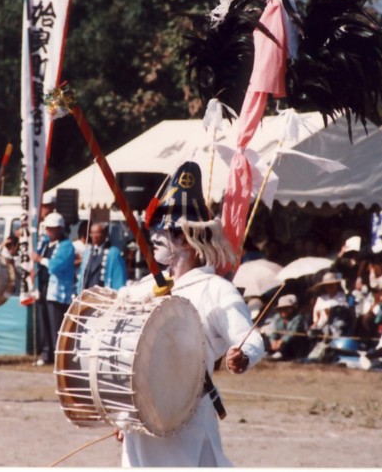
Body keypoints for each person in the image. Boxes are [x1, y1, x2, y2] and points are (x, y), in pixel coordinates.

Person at [118, 161, 264, 467]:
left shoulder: (216, 289)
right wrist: (123, 411)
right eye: (155, 228)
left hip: (188, 414)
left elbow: (250, 338)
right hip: (140, 415)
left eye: (165, 231)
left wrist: (243, 354)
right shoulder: (142, 287)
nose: (155, 236)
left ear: (188, 240)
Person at [31, 212, 75, 366]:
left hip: (57, 291)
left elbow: (56, 265)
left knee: (56, 324)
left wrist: (40, 260)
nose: (48, 232)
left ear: (60, 229)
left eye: (52, 229)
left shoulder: (67, 246)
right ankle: (45, 352)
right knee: (44, 322)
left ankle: (58, 355)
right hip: (43, 287)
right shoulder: (45, 245)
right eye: (48, 228)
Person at [76, 222, 127, 293]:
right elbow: (82, 274)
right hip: (88, 293)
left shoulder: (113, 253)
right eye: (92, 233)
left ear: (105, 234)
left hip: (104, 294)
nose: (94, 236)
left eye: (97, 233)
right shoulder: (88, 252)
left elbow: (119, 278)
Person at [267, 294, 309, 360]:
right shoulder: (277, 317)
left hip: (294, 344)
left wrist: (282, 341)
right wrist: (273, 341)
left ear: (291, 308)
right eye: (281, 309)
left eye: (286, 308)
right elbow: (274, 332)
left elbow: (293, 333)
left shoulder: (298, 317)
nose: (284, 311)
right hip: (280, 344)